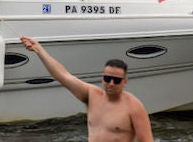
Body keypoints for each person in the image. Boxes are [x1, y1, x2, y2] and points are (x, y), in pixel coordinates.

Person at [20, 36, 154, 141]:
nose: (111, 83)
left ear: (125, 82)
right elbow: (63, 75)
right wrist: (39, 50)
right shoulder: (92, 95)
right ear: (102, 78)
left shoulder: (134, 107)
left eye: (117, 80)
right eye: (107, 79)